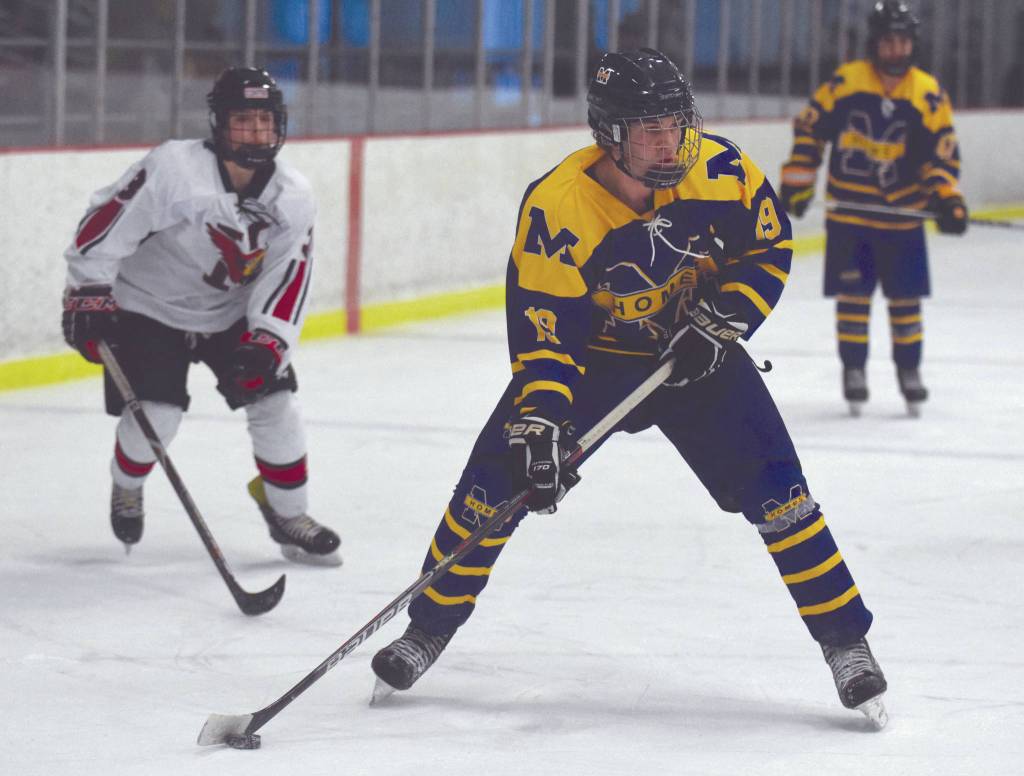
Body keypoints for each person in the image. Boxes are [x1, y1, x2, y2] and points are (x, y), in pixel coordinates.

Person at [370, 48, 888, 727]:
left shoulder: (723, 170)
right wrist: (543, 426)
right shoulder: (559, 207)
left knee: (782, 495)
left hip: (693, 354)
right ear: (608, 134)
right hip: (595, 361)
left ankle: (847, 641)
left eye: (674, 122)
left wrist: (724, 319)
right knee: (493, 488)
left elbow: (768, 249)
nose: (666, 141)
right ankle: (427, 628)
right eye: (647, 129)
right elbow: (547, 337)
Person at [61, 67, 341, 566]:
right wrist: (87, 293)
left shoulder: (293, 196)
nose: (256, 133)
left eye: (265, 121)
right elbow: (107, 222)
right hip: (149, 308)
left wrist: (269, 339)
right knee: (158, 418)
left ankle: (289, 514)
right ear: (217, 124)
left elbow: (289, 275)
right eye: (243, 121)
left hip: (228, 313)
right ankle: (127, 484)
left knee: (276, 404)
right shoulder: (174, 169)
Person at [779, 0, 967, 416]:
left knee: (905, 302)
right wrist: (798, 180)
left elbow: (940, 155)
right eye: (888, 42)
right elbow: (811, 129)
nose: (895, 50)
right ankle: (854, 370)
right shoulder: (846, 82)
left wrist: (946, 197)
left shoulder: (927, 92)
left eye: (902, 41)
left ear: (912, 44)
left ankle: (909, 371)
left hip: (902, 220)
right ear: (875, 43)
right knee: (853, 300)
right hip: (851, 217)